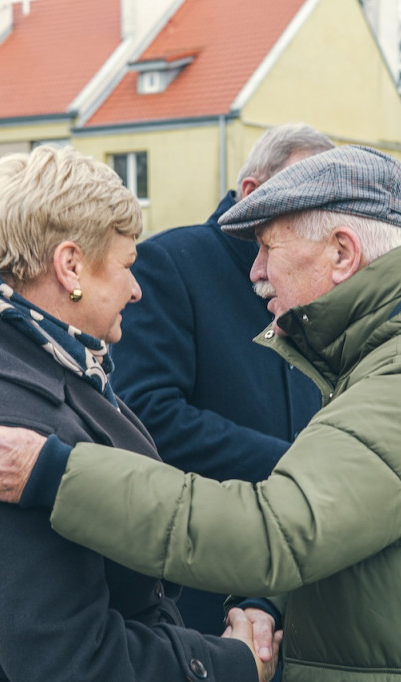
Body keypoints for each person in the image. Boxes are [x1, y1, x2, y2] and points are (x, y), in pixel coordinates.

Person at [0, 146, 401, 681]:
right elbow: (355, 528)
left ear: (343, 254)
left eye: (267, 248)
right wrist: (269, 600)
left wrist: (56, 474)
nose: (254, 273)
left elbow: (278, 533)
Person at [0, 145, 275, 681]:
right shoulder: (2, 422)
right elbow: (77, 662)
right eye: (126, 266)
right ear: (70, 266)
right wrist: (231, 663)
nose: (136, 291)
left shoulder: (26, 363)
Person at [109, 123, 328, 634]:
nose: (316, 222)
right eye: (304, 204)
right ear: (251, 193)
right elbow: (145, 413)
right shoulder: (170, 263)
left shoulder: (313, 275)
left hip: (299, 568)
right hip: (205, 582)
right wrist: (297, 467)